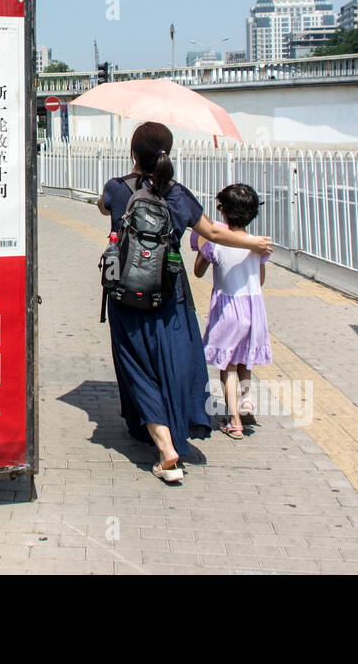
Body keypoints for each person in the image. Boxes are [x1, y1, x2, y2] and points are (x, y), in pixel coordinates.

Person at [98, 122, 273, 483]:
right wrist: (253, 245)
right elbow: (212, 232)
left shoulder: (116, 188)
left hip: (126, 294)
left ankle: (165, 449)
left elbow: (103, 207)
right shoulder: (178, 194)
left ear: (133, 153)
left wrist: (129, 178)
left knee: (137, 367)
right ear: (168, 153)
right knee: (173, 363)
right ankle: (179, 425)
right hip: (170, 294)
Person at [193, 184, 272, 440]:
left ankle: (234, 420)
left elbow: (198, 271)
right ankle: (247, 400)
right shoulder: (257, 246)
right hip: (254, 307)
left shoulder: (216, 245)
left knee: (226, 366)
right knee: (244, 360)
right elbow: (259, 280)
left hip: (228, 309)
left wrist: (204, 245)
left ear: (223, 213)